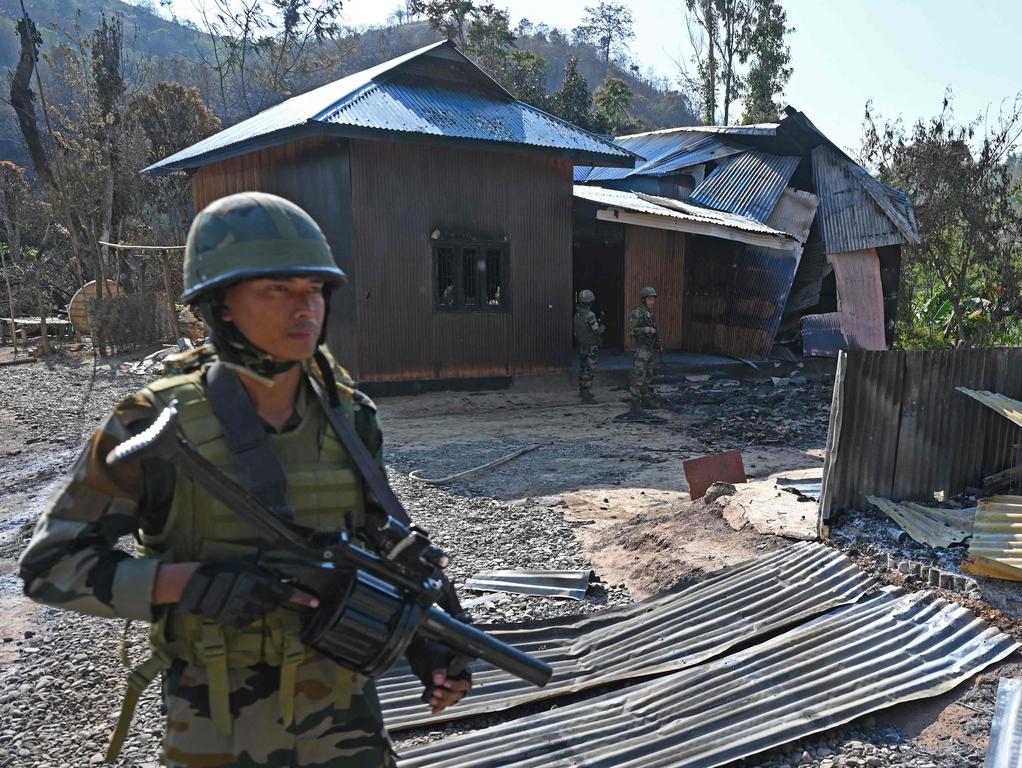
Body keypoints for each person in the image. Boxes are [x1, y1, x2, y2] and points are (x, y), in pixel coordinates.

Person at [18, 192, 470, 768]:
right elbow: (49, 568)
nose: (304, 309)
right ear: (221, 305)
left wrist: (430, 639)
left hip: (345, 722)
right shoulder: (154, 422)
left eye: (314, 289)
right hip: (218, 731)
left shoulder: (348, 414)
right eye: (276, 290)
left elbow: (382, 540)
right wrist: (189, 583)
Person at [628, 286, 662, 413]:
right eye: (649, 299)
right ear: (643, 300)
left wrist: (658, 343)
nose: (652, 301)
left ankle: (645, 397)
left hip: (650, 348)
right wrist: (646, 329)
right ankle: (635, 402)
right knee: (638, 375)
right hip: (641, 349)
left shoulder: (650, 314)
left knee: (648, 374)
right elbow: (632, 331)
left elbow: (655, 331)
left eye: (653, 299)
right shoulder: (637, 313)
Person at [572, 289, 604, 403]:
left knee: (583, 367)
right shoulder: (590, 315)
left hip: (581, 344)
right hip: (590, 345)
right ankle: (586, 393)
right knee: (590, 369)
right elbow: (596, 330)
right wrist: (602, 329)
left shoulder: (577, 314)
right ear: (589, 302)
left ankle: (582, 389)